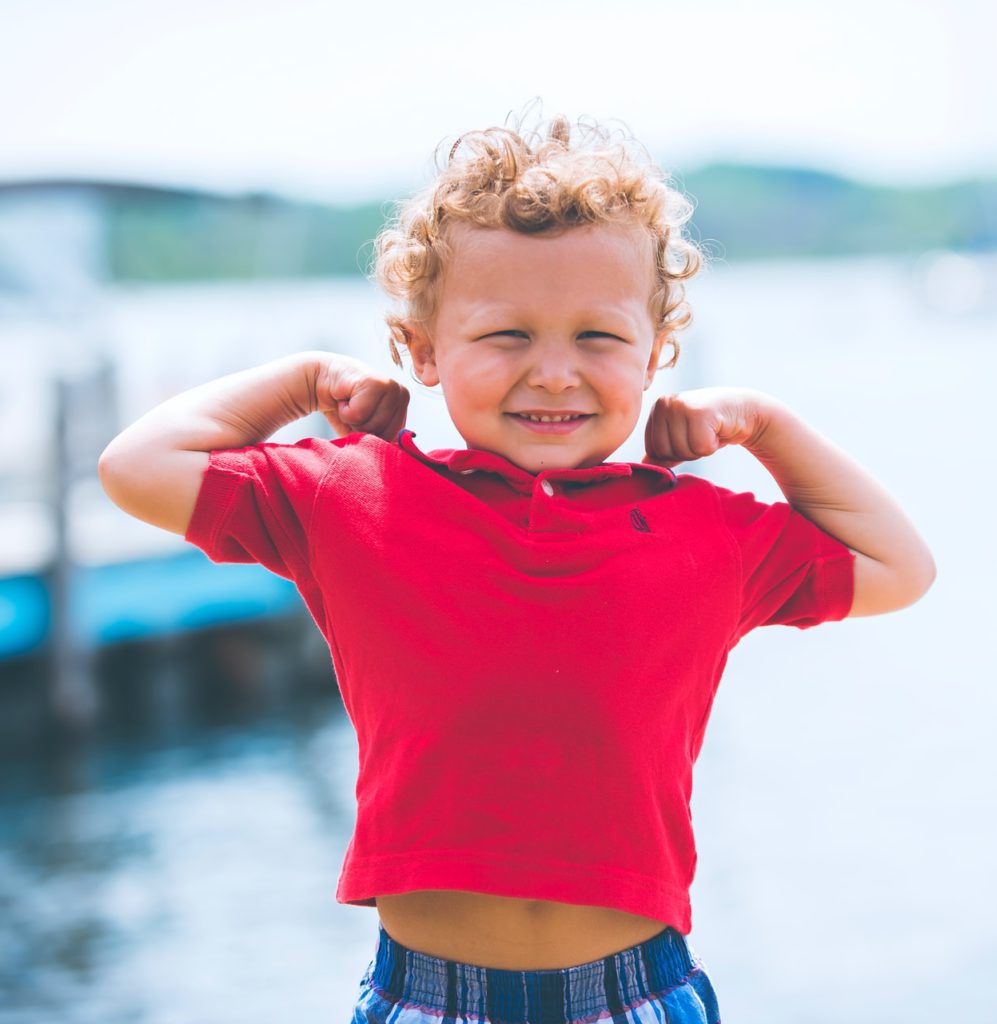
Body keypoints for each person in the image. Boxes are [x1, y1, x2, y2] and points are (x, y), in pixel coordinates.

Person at [98, 114, 936, 1024]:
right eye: (505, 335)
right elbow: (135, 469)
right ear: (422, 351)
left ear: (656, 353)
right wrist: (301, 383)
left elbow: (899, 566)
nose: (553, 372)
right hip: (425, 997)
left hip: (637, 992)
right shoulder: (352, 497)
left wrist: (766, 427)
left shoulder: (706, 530)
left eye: (598, 338)